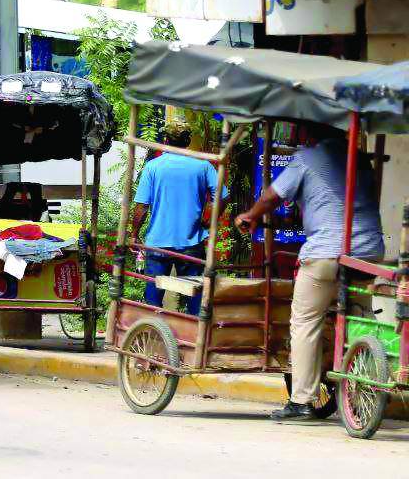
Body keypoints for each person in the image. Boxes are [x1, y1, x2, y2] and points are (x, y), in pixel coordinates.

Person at [235, 125, 384, 422]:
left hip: (327, 252)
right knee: (360, 317)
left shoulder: (307, 158)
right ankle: (366, 382)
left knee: (304, 321)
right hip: (368, 250)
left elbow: (272, 196)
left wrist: (250, 216)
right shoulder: (360, 158)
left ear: (310, 134)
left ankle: (301, 399)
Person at [130, 122, 221, 316]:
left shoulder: (153, 167)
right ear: (188, 141)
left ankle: (154, 334)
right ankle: (194, 337)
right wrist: (208, 219)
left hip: (157, 244)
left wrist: (134, 234)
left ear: (165, 140)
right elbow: (222, 197)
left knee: (153, 298)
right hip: (191, 243)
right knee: (195, 297)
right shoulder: (203, 166)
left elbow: (141, 207)